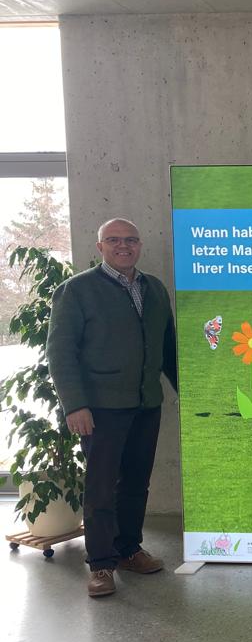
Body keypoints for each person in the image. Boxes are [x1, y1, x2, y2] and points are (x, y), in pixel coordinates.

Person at [46, 218, 177, 598]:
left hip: (145, 404)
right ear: (100, 246)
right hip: (100, 410)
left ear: (140, 245)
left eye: (131, 240)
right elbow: (60, 353)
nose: (124, 246)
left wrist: (189, 390)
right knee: (102, 488)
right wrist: (75, 406)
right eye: (115, 240)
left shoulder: (154, 289)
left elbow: (167, 348)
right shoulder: (75, 291)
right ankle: (101, 564)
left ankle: (128, 550)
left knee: (136, 483)